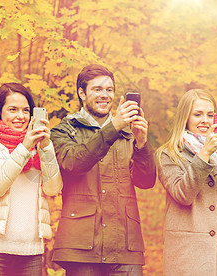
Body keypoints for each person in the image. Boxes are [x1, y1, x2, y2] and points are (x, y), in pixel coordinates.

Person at [50, 64, 157, 276]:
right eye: (97, 89)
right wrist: (114, 127)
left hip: (126, 245)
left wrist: (142, 143)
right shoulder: (64, 129)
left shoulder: (129, 132)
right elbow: (74, 163)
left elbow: (146, 181)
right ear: (82, 93)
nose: (104, 95)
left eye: (109, 90)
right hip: (81, 246)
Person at [0, 83, 62, 276]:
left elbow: (53, 189)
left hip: (31, 253)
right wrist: (24, 148)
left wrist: (45, 147)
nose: (20, 116)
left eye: (26, 110)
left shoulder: (39, 150)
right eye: (13, 109)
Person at [156, 89, 217, 276]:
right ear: (185, 118)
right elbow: (183, 194)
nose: (205, 119)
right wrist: (204, 154)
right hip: (187, 258)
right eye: (198, 114)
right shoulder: (169, 154)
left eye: (210, 114)